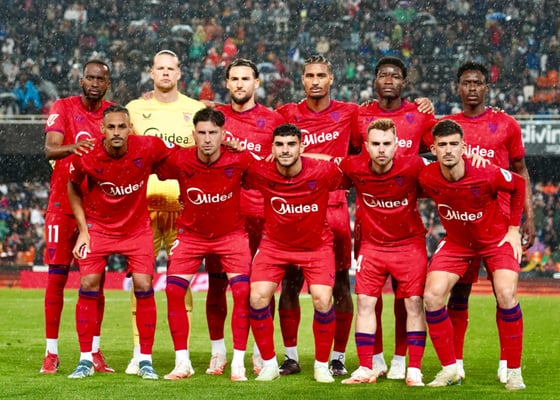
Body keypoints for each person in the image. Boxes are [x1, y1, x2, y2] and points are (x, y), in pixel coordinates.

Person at [440, 61, 535, 382]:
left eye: (477, 83)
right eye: (466, 83)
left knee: (503, 293)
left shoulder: (506, 124)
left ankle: (508, 364)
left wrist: (528, 217)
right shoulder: (447, 125)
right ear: (458, 87)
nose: (472, 88)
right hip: (463, 226)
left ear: (486, 88)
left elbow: (521, 172)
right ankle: (456, 363)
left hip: (501, 225)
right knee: (459, 293)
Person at [66, 105, 176, 379]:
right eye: (111, 127)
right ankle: (85, 359)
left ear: (130, 128)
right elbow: (72, 186)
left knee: (144, 284)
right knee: (88, 283)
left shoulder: (148, 146)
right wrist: (83, 230)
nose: (116, 132)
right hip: (98, 228)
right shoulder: (86, 155)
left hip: (136, 230)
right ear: (102, 129)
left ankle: (145, 360)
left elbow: (181, 161)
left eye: (121, 127)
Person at [420, 119, 526, 390]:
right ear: (433, 149)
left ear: (463, 147)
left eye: (454, 144)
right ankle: (450, 369)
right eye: (442, 145)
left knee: (506, 294)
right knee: (431, 296)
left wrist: (514, 230)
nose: (448, 150)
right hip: (458, 243)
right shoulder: (426, 175)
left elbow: (518, 185)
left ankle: (514, 372)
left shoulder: (485, 171)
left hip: (495, 240)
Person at [275, 55, 361, 376]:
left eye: (321, 75)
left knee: (340, 286)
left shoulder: (350, 113)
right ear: (302, 80)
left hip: (334, 207)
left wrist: (421, 105)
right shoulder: (287, 114)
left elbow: (374, 135)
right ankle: (291, 356)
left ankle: (337, 357)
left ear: (331, 79)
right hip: (295, 208)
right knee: (290, 284)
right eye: (309, 75)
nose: (315, 81)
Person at [156, 108, 253, 381]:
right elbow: (148, 163)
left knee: (242, 292)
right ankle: (182, 362)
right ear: (193, 134)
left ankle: (238, 363)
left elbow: (270, 172)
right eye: (202, 133)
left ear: (223, 134)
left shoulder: (240, 159)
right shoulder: (179, 159)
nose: (207, 139)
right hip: (191, 236)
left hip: (231, 236)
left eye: (213, 133)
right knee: (173, 291)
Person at [125, 49, 205, 374]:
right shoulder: (135, 109)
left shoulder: (195, 110)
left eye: (171, 68)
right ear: (151, 72)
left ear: (179, 73)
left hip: (182, 209)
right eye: (160, 68)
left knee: (180, 285)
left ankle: (181, 356)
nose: (166, 73)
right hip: (142, 210)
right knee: (141, 284)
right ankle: (138, 352)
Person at [204, 58, 286, 375]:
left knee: (262, 288)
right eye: (234, 79)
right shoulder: (215, 117)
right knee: (217, 285)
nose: (239, 84)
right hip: (222, 216)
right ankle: (217, 352)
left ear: (256, 83)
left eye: (245, 79)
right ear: (227, 83)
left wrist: (244, 153)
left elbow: (277, 165)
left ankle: (260, 351)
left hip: (263, 216)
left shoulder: (273, 120)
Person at [357, 56, 437, 380]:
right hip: (369, 221)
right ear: (375, 81)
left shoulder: (420, 115)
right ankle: (374, 358)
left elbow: (441, 151)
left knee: (408, 299)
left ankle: (402, 358)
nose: (389, 80)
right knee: (368, 297)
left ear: (405, 82)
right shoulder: (359, 114)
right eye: (383, 75)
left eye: (395, 76)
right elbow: (349, 157)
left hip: (404, 219)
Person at [246, 123, 342, 383]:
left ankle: (321, 366)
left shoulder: (322, 171)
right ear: (272, 148)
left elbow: (352, 170)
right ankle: (268, 364)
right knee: (257, 297)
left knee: (323, 300)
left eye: (291, 144)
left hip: (316, 246)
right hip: (274, 246)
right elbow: (232, 168)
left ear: (302, 146)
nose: (285, 150)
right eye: (279, 145)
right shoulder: (260, 171)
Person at [338, 119, 427, 386]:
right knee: (365, 303)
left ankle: (414, 368)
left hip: (409, 245)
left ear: (397, 145)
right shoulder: (353, 166)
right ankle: (366, 367)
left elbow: (449, 171)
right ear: (366, 146)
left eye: (387, 143)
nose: (381, 149)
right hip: (373, 247)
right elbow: (322, 165)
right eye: (375, 143)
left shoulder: (415, 165)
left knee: (413, 304)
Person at [41, 59, 113, 375]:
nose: (95, 83)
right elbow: (50, 148)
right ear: (81, 80)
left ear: (107, 84)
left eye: (100, 79)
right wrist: (76, 147)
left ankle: (94, 351)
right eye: (90, 78)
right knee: (56, 279)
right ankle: (51, 353)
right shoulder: (64, 107)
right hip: (61, 207)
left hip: (97, 212)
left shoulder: (113, 115)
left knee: (95, 283)